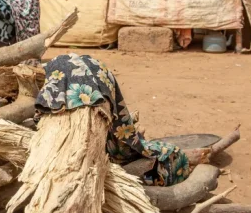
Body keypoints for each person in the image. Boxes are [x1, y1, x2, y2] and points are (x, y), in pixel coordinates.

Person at [36, 54, 192, 187]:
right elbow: (123, 132)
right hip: (103, 160)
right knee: (172, 153)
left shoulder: (47, 104)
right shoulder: (96, 108)